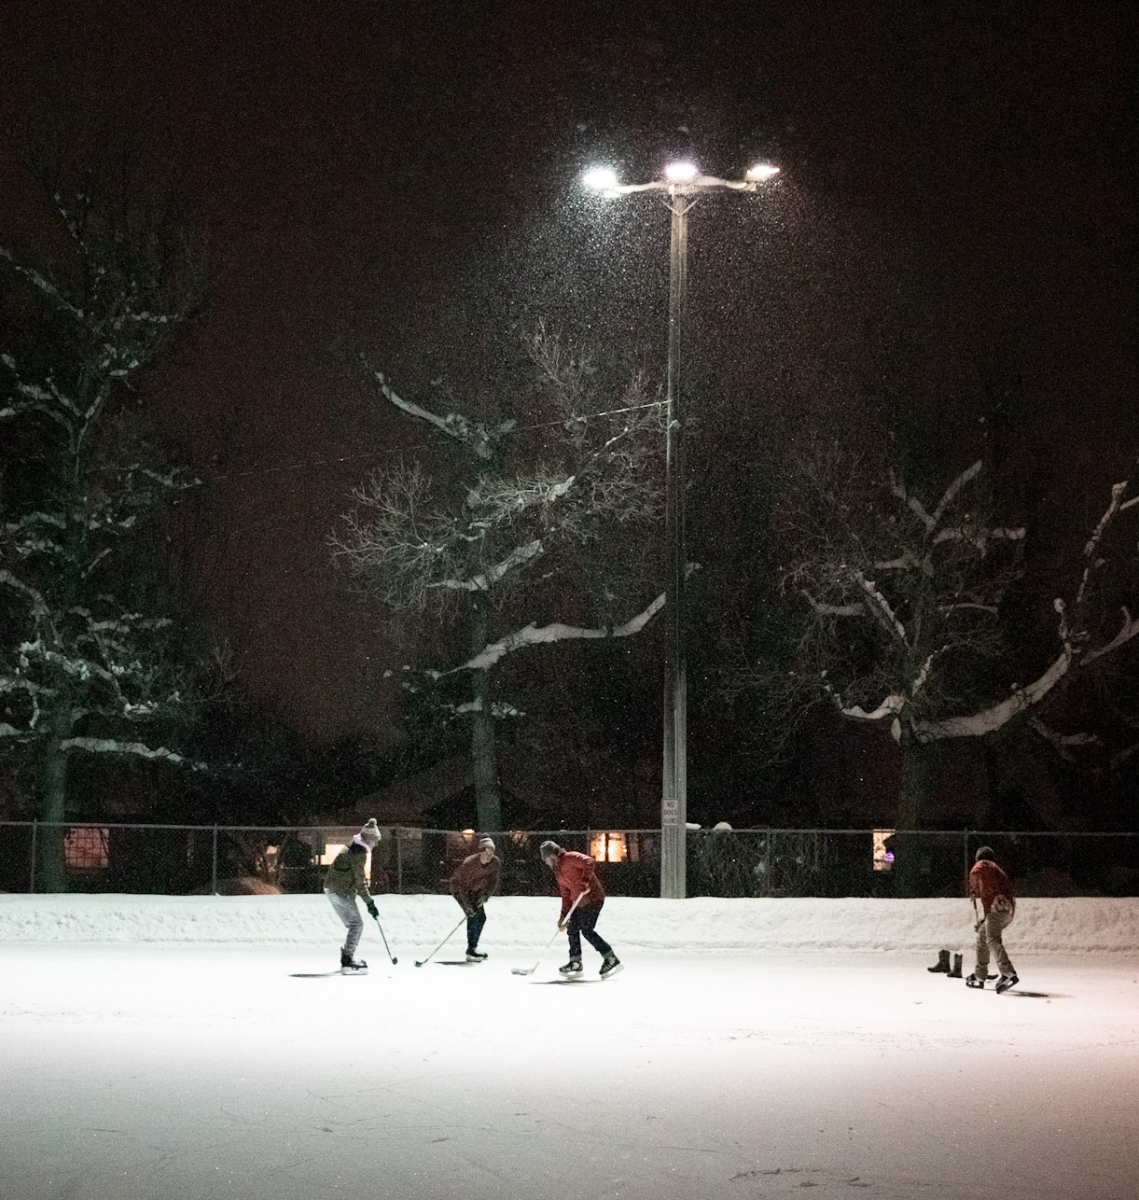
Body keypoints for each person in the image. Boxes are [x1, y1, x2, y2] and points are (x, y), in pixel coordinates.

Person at [539, 840, 621, 978]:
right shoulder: (558, 873)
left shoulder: (569, 858)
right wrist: (563, 916)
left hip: (593, 897)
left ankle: (611, 958)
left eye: (546, 859)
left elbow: (589, 861)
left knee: (586, 930)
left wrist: (585, 880)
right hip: (579, 902)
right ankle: (575, 962)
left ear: (552, 855)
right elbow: (566, 895)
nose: (546, 863)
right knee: (572, 928)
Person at [324, 818, 382, 974]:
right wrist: (370, 903)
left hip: (333, 888)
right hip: (340, 891)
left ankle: (347, 959)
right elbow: (360, 881)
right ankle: (348, 962)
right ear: (370, 839)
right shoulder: (359, 853)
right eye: (375, 841)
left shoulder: (353, 845)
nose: (375, 844)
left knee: (353, 924)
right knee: (357, 924)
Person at [965, 845, 1018, 993]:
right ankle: (979, 975)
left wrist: (973, 887)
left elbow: (976, 871)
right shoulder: (996, 870)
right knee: (982, 937)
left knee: (992, 939)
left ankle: (1008, 973)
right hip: (1007, 909)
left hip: (997, 907)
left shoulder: (984, 864)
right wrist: (984, 920)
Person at [449, 835, 501, 961]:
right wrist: (467, 906)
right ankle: (471, 950)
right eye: (486, 850)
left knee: (481, 917)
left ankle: (473, 948)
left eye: (491, 851)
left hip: (476, 890)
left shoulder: (495, 862)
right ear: (480, 851)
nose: (489, 854)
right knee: (472, 916)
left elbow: (493, 881)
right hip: (459, 889)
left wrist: (485, 896)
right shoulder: (470, 863)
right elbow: (462, 887)